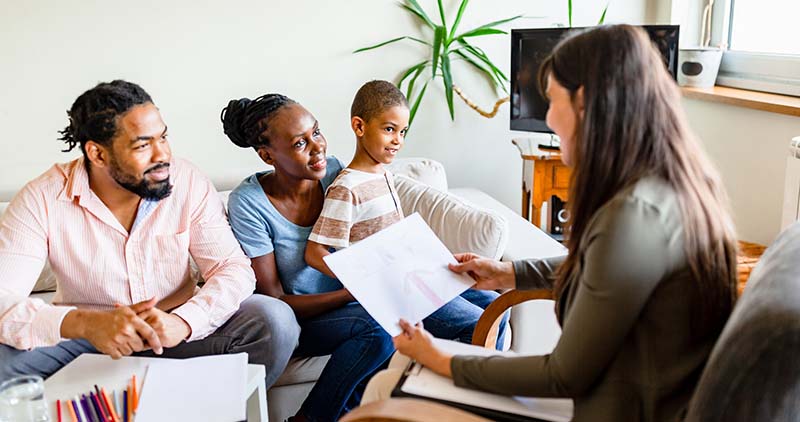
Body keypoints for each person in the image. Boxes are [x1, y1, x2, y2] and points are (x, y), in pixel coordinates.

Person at [363, 24, 738, 422]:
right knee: (392, 382)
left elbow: (563, 375)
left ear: (586, 103)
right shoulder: (669, 185)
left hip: (607, 409)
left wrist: (440, 358)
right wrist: (509, 273)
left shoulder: (631, 217)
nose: (549, 118)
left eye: (553, 99)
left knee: (385, 391)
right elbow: (610, 273)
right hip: (621, 397)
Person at [222, 91, 507, 422]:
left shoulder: (333, 172)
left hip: (366, 294)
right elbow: (275, 298)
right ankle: (313, 418)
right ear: (267, 155)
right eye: (300, 144)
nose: (317, 148)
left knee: (490, 303)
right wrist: (350, 291)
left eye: (316, 132)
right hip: (313, 317)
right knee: (381, 330)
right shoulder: (249, 203)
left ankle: (452, 408)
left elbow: (372, 229)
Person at [0, 80, 300, 391]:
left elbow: (232, 268)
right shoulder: (42, 197)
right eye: (143, 145)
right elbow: (3, 300)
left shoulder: (187, 180)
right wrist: (86, 324)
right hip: (87, 339)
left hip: (174, 332)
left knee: (274, 321)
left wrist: (184, 322)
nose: (163, 155)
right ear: (97, 154)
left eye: (163, 137)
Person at [304, 80, 407, 276]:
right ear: (359, 126)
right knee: (467, 309)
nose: (398, 140)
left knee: (481, 293)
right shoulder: (346, 188)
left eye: (403, 131)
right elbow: (314, 253)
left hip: (407, 272)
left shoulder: (385, 175)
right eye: (389, 129)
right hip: (387, 286)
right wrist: (360, 280)